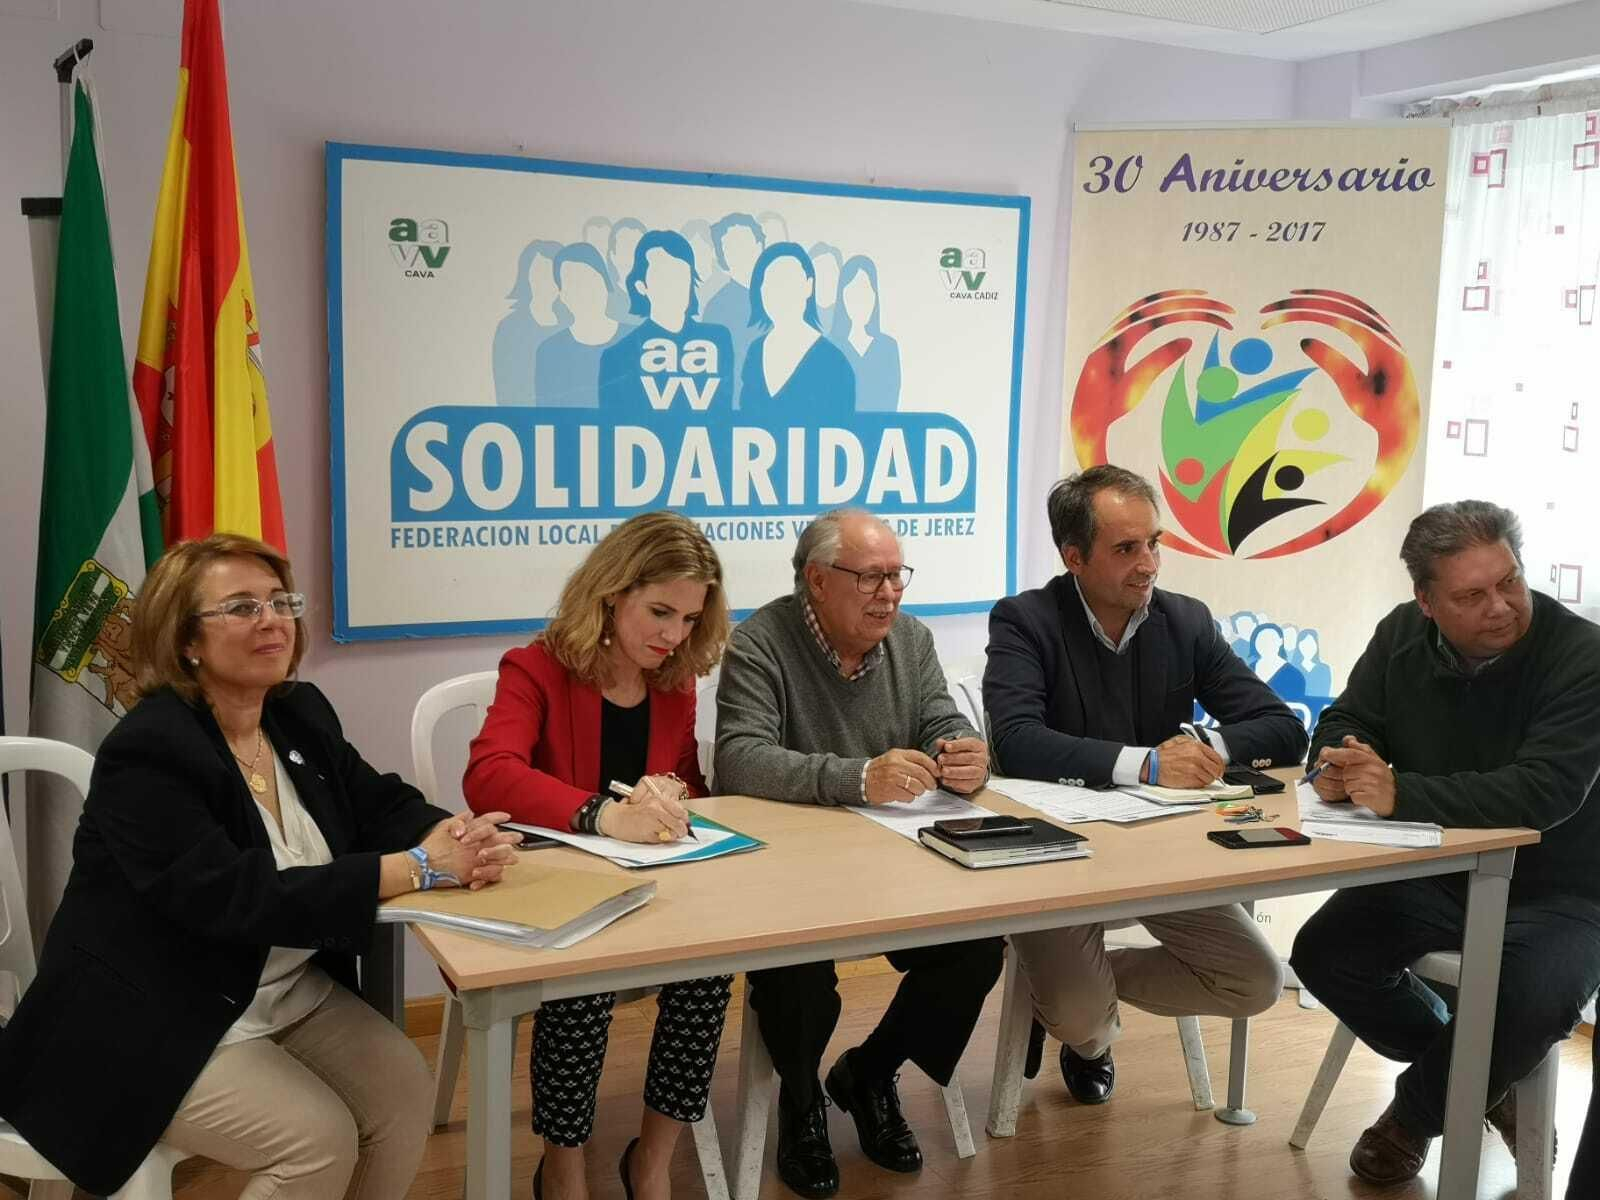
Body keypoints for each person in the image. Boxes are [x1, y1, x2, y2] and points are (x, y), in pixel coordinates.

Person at [0, 533, 521, 1199]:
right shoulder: (150, 751)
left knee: (403, 1094)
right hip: (156, 1013)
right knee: (316, 1140)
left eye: (280, 602)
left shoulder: (296, 713)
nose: (273, 620)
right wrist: (418, 867)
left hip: (278, 988)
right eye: (243, 607)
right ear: (186, 640)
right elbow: (236, 897)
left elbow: (377, 802)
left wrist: (451, 833)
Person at [1289, 500, 1600, 1187]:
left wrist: (1400, 794)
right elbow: (1348, 716)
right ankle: (1488, 1085)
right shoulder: (1401, 634)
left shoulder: (1583, 655)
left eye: (1509, 581)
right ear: (1426, 603)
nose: (1501, 606)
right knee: (1323, 953)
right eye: (1471, 595)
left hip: (1564, 888)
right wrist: (1339, 759)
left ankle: (1411, 1117)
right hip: (1441, 868)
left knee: (1528, 997)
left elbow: (1544, 790)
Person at [983, 466, 1302, 1104]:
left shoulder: (1185, 621)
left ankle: (1071, 993)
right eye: (1127, 548)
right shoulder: (1025, 620)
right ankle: (1083, 1030)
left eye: (1154, 542)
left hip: (1162, 857)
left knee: (1255, 982)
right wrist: (1148, 764)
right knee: (1083, 1021)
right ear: (1074, 557)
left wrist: (1207, 747)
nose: (1149, 563)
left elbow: (1283, 729)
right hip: (1061, 859)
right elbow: (1015, 741)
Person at [715, 509, 1003, 1200]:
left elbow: (939, 718)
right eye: (872, 577)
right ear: (817, 580)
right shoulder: (760, 643)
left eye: (897, 576)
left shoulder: (912, 639)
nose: (890, 594)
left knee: (977, 947)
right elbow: (738, 759)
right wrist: (855, 777)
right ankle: (801, 1099)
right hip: (794, 872)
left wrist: (963, 752)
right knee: (796, 974)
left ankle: (870, 1071)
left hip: (897, 862)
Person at [464, 511, 734, 1200]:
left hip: (651, 888)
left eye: (689, 618)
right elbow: (489, 774)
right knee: (581, 980)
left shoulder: (674, 680)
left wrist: (675, 794)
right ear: (613, 594)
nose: (674, 635)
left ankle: (652, 1159)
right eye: (660, 612)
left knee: (711, 969)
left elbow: (688, 780)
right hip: (558, 887)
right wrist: (602, 813)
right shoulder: (536, 666)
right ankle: (562, 1163)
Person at [598, 230, 734, 417]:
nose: (674, 286)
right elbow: (612, 425)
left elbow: (722, 415)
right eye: (663, 277)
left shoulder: (718, 339)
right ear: (641, 286)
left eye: (681, 275)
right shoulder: (618, 356)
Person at [739, 242, 855, 425]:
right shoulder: (755, 351)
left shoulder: (834, 362)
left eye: (790, 282)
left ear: (809, 286)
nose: (780, 292)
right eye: (771, 283)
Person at [533, 243, 622, 408]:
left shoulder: (636, 338)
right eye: (574, 285)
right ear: (562, 296)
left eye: (591, 281)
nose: (585, 293)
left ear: (606, 284)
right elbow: (546, 415)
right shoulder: (549, 351)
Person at [493, 238, 566, 405]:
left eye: (551, 276)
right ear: (526, 277)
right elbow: (506, 392)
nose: (545, 283)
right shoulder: (510, 328)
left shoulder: (574, 323)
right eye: (539, 274)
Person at [703, 212, 765, 398]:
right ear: (722, 260)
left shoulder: (779, 296)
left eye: (748, 245)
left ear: (760, 246)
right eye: (732, 249)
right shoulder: (717, 308)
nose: (744, 254)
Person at [830, 254, 901, 412]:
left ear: (875, 296)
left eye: (866, 292)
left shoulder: (888, 347)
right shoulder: (830, 347)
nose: (860, 301)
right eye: (853, 293)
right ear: (842, 297)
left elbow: (891, 403)